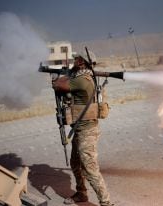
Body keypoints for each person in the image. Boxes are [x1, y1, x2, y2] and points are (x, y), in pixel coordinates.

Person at [52, 54, 113, 206]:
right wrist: (68, 74)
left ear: (81, 63)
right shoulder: (84, 76)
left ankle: (106, 202)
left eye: (76, 60)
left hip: (87, 132)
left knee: (90, 169)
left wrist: (60, 76)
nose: (74, 61)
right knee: (75, 163)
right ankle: (81, 193)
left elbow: (57, 85)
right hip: (80, 130)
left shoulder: (81, 80)